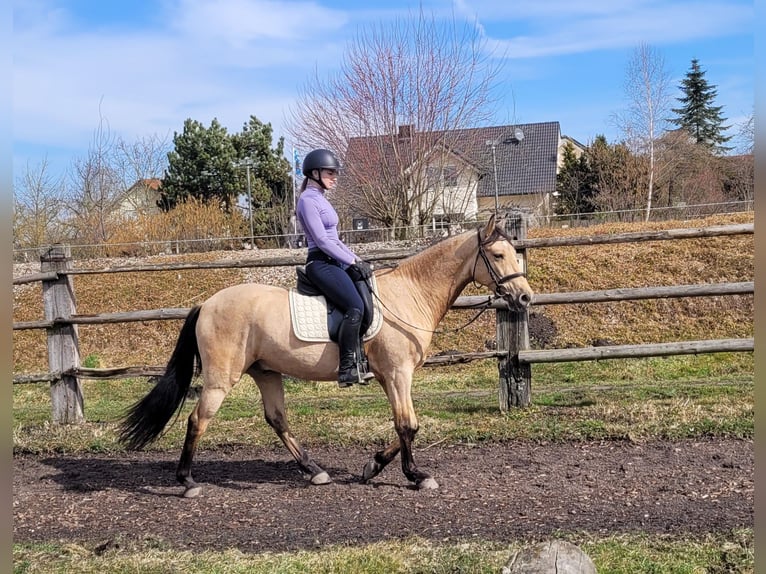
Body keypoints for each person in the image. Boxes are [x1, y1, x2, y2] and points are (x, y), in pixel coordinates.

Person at [295, 148, 374, 387]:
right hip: (320, 262)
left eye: (335, 173)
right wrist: (351, 262)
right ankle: (346, 368)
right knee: (355, 305)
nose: (335, 177)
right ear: (315, 173)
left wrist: (357, 260)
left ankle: (363, 359)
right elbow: (322, 241)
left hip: (335, 260)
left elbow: (336, 240)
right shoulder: (307, 201)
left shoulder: (321, 200)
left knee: (365, 294)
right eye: (331, 172)